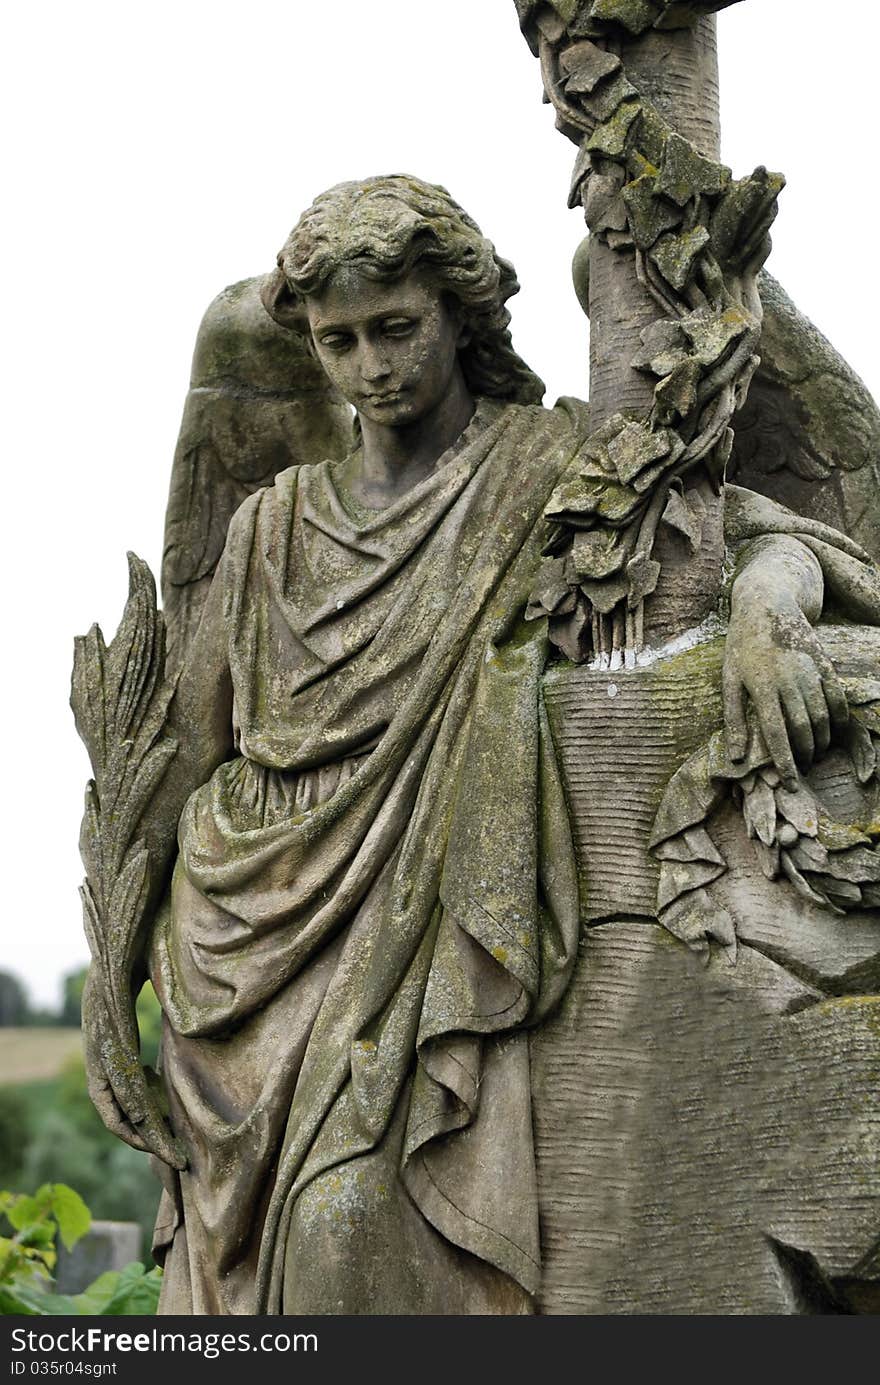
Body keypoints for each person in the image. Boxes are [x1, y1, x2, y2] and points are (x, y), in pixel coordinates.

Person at [84, 175, 872, 1314]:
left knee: (341, 1231)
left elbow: (763, 530)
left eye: (396, 329)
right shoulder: (268, 525)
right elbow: (182, 756)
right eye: (338, 340)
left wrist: (765, 614)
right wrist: (114, 985)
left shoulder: (548, 468)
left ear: (460, 314)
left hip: (428, 924)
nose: (371, 366)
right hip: (245, 954)